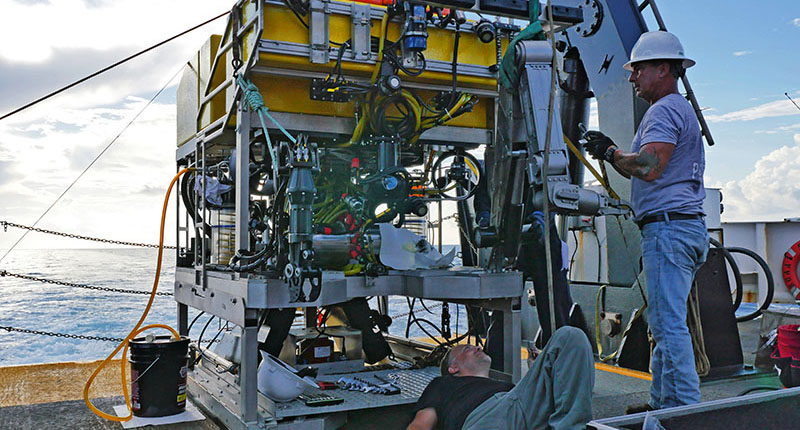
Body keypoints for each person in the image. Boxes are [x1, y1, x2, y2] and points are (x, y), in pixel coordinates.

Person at [583, 30, 708, 411]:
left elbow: (650, 166)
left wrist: (609, 151)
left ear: (663, 68)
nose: (632, 77)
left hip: (669, 230)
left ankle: (685, 410)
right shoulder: (679, 109)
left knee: (668, 327)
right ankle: (661, 403)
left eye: (638, 69)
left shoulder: (666, 109)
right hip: (680, 227)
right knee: (663, 322)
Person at [406, 326, 594, 430]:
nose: (478, 347)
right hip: (484, 418)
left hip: (518, 402)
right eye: (467, 349)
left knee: (570, 336)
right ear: (453, 368)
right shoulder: (443, 384)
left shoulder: (504, 386)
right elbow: (421, 425)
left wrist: (537, 369)